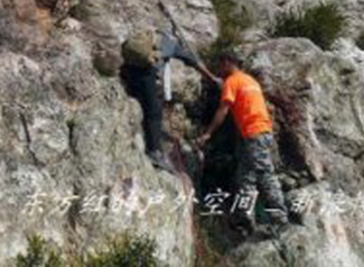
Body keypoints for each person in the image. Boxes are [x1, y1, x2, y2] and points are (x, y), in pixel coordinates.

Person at [196, 52, 290, 232]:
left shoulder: (232, 81)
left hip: (253, 133)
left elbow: (223, 110)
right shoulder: (250, 81)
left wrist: (207, 133)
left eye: (219, 63)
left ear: (227, 61)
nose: (218, 68)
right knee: (244, 177)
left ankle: (280, 219)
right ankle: (245, 219)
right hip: (260, 132)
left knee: (264, 174)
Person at [120, 29, 218, 173]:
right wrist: (211, 77)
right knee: (154, 112)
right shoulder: (172, 45)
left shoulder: (150, 39)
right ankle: (154, 152)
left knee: (142, 101)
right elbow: (191, 60)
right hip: (147, 74)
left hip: (129, 71)